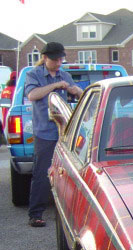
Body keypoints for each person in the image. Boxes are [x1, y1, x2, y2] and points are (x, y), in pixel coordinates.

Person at [25, 42, 83, 227]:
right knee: (42, 173)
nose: (59, 63)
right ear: (44, 58)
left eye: (61, 60)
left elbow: (80, 95)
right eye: (55, 60)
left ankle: (72, 213)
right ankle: (36, 214)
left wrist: (75, 90)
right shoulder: (34, 74)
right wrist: (56, 85)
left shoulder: (65, 75)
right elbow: (32, 95)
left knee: (70, 173)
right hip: (45, 133)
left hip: (65, 133)